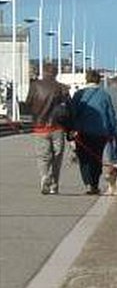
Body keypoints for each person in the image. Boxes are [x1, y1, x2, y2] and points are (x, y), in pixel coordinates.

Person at [26, 64, 72, 195]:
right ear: (56, 73)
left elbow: (28, 102)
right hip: (58, 127)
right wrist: (71, 128)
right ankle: (54, 185)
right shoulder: (62, 88)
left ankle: (44, 176)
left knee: (43, 156)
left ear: (44, 72)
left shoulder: (35, 85)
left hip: (40, 127)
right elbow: (70, 109)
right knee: (57, 156)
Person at [71, 70, 117, 195]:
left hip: (82, 132)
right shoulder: (104, 95)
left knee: (84, 158)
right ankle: (95, 183)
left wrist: (72, 129)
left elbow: (72, 113)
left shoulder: (78, 94)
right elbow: (111, 115)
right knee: (97, 158)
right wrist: (112, 131)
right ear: (99, 80)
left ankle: (88, 183)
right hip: (100, 132)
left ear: (86, 79)